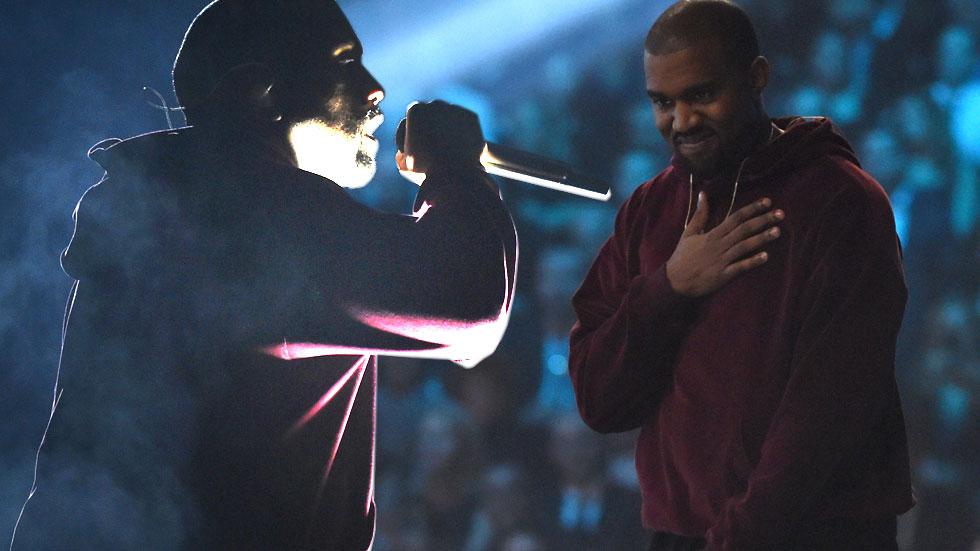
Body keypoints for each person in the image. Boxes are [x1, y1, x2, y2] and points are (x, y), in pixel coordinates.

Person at [12, 1, 517, 549]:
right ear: (262, 92)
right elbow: (470, 304)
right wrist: (455, 168)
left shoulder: (185, 201)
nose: (376, 89)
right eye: (345, 64)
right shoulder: (258, 216)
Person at [567, 1, 913, 549]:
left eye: (701, 95)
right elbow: (599, 399)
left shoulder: (841, 203)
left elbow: (828, 413)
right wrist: (670, 287)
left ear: (757, 77)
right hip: (683, 537)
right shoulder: (649, 210)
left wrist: (734, 540)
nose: (681, 121)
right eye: (662, 102)